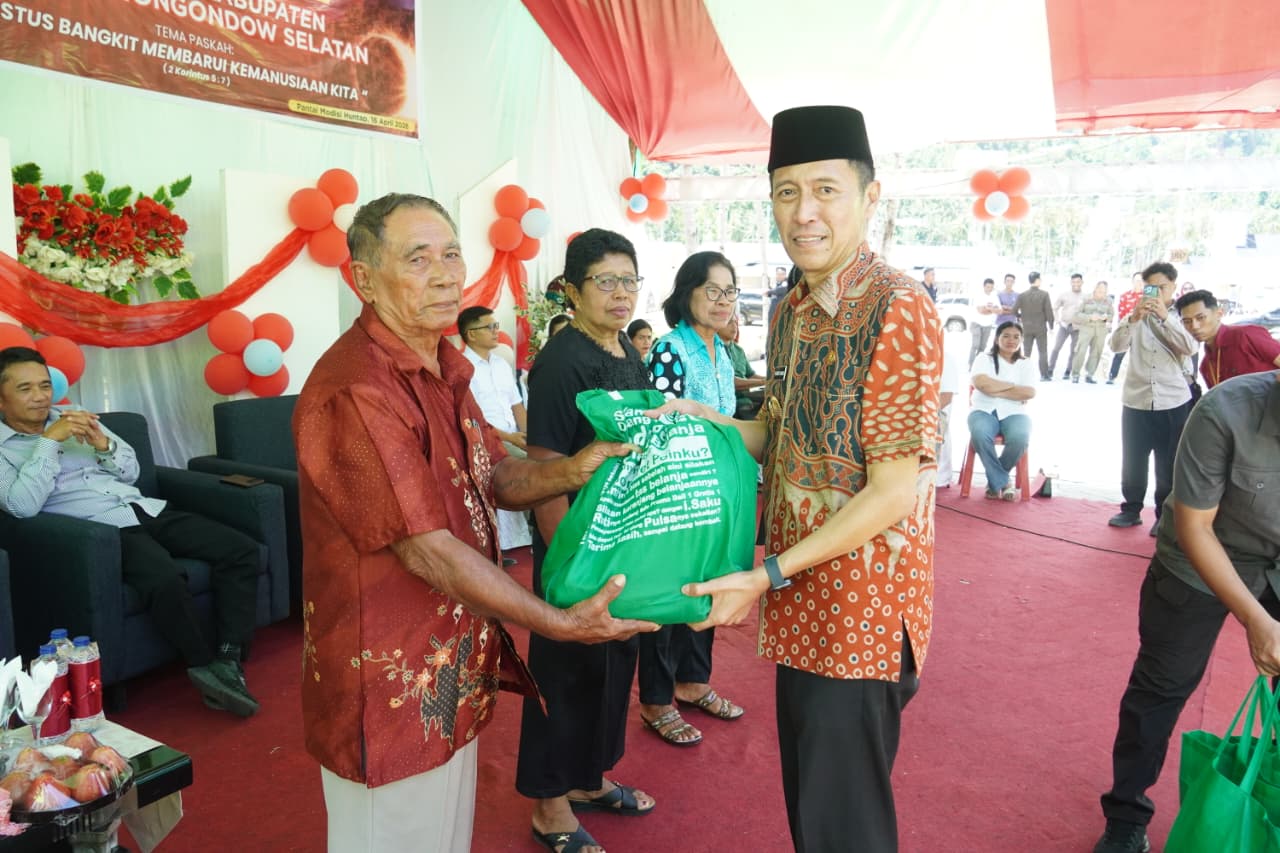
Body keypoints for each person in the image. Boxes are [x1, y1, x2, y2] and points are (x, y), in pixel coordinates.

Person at [293, 196, 655, 853]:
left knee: (445, 836)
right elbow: (427, 550)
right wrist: (559, 622)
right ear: (365, 279)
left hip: (449, 662)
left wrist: (574, 468)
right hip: (388, 678)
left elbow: (496, 475)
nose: (444, 274)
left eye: (452, 254)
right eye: (417, 258)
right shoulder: (357, 387)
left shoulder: (443, 365)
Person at [651, 105, 941, 853]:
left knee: (845, 829)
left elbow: (894, 491)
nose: (803, 212)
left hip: (861, 612)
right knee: (814, 814)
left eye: (825, 190)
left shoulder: (898, 306)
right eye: (786, 192)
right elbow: (779, 441)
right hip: (800, 601)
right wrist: (705, 421)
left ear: (870, 197)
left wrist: (765, 573)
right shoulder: (791, 311)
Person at [0, 346, 261, 717]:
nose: (41, 396)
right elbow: (22, 506)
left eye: (44, 385)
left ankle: (229, 656)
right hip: (99, 530)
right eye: (25, 389)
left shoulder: (76, 417)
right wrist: (49, 442)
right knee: (165, 578)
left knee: (241, 549)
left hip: (143, 507)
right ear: (1, 399)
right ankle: (203, 664)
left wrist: (104, 445)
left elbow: (131, 472)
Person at [515, 228, 661, 853]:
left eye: (629, 280)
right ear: (573, 291)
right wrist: (568, 565)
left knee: (612, 663)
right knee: (564, 671)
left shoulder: (626, 346)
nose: (621, 293)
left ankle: (588, 779)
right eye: (606, 281)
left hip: (621, 536)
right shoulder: (560, 361)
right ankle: (550, 805)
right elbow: (544, 469)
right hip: (574, 543)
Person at [1092, 369, 1280, 853]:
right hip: (1199, 558)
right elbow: (1197, 528)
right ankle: (1126, 814)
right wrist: (1257, 620)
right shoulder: (1225, 411)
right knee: (1161, 686)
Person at [640, 251, 746, 748]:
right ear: (687, 294)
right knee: (670, 593)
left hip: (718, 488)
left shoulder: (721, 349)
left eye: (731, 292)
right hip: (678, 490)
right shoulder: (670, 348)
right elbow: (662, 427)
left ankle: (693, 681)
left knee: (708, 586)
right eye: (713, 291)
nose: (724, 302)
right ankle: (656, 699)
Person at [1107, 262, 1196, 537]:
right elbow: (1116, 346)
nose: (1156, 292)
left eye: (1162, 287)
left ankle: (1163, 515)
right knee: (1133, 459)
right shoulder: (1135, 316)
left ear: (1173, 287)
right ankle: (1130, 509)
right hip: (1136, 399)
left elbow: (1190, 347)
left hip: (1173, 400)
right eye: (1151, 287)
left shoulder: (1181, 317)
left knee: (1168, 462)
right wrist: (1134, 318)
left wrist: (1165, 318)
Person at [458, 305, 531, 555]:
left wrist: (532, 437)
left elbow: (517, 405)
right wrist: (510, 438)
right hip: (485, 440)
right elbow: (472, 420)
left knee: (545, 456)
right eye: (489, 327)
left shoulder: (501, 364)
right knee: (532, 467)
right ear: (471, 334)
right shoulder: (462, 368)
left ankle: (536, 533)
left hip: (514, 436)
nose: (495, 331)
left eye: (496, 326)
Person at [967, 322, 1037, 500]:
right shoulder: (984, 358)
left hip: (1015, 412)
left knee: (1021, 437)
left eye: (1016, 337)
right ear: (997, 338)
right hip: (983, 409)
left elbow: (1029, 393)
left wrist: (995, 389)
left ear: (1021, 340)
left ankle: (995, 482)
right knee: (980, 434)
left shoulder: (1025, 363)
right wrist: (1013, 388)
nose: (1011, 340)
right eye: (1006, 336)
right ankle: (1004, 482)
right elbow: (981, 384)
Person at [1176, 288, 1280, 388]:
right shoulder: (1206, 366)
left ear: (1219, 314)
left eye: (1200, 318)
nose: (1194, 326)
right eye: (1187, 321)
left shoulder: (1246, 335)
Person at [720, 314, 764, 419]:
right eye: (729, 322)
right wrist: (764, 382)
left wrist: (771, 379)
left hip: (746, 397)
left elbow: (750, 375)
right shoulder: (715, 349)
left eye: (736, 322)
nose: (734, 326)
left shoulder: (738, 350)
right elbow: (730, 382)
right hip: (733, 401)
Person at [1071, 281, 1114, 383]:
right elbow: (1076, 314)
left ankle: (1089, 374)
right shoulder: (1086, 299)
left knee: (1096, 352)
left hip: (1101, 329)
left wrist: (1105, 318)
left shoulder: (1108, 301)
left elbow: (1111, 315)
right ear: (1095, 288)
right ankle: (1075, 374)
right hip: (1087, 328)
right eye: (1100, 290)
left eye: (1104, 291)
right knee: (1081, 351)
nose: (1102, 292)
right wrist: (1089, 317)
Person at [1106, 273, 1145, 384]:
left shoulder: (1147, 297)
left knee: (1139, 355)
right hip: (1127, 328)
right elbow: (1121, 313)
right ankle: (1112, 376)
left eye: (1141, 281)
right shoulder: (1125, 296)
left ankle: (1138, 379)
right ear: (1132, 281)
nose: (1139, 283)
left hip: (1142, 329)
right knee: (1119, 353)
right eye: (1137, 280)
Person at [1015, 272, 1054, 380]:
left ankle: (1023, 374)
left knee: (1026, 352)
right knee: (1042, 351)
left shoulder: (1022, 295)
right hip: (1040, 327)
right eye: (1040, 279)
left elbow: (1014, 310)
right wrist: (1051, 325)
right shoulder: (1044, 294)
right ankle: (1044, 375)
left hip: (1027, 327)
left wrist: (1020, 317)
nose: (1041, 281)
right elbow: (1048, 311)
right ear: (1037, 280)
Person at [1048, 273, 1085, 379]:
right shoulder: (1064, 294)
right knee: (1056, 347)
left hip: (1077, 328)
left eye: (1078, 282)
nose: (1076, 284)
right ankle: (1050, 369)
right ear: (1071, 283)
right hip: (1064, 326)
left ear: (1082, 282)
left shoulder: (1086, 297)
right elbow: (1054, 308)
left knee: (1074, 350)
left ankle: (1068, 371)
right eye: (1074, 282)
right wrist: (1057, 319)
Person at [969, 277, 1000, 367]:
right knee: (975, 345)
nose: (989, 289)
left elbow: (999, 310)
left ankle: (978, 364)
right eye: (987, 287)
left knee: (982, 347)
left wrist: (988, 309)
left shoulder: (994, 297)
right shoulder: (978, 296)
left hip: (988, 324)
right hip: (976, 324)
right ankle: (971, 364)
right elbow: (981, 310)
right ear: (984, 286)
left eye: (991, 287)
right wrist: (992, 310)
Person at [766, 265, 790, 329]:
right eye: (778, 274)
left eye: (782, 274)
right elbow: (773, 294)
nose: (779, 276)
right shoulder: (776, 284)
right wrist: (769, 294)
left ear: (785, 275)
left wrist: (768, 292)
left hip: (781, 313)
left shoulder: (786, 283)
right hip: (773, 312)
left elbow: (780, 290)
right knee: (771, 329)